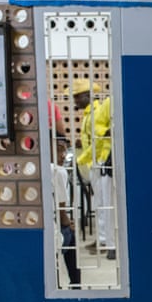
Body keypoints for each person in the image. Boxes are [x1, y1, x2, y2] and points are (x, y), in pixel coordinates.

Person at [70, 78, 116, 260]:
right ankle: (103, 240)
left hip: (102, 161)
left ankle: (110, 243)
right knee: (100, 204)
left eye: (77, 96)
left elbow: (99, 140)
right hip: (95, 162)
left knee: (106, 204)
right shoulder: (89, 114)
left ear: (87, 96)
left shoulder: (98, 111)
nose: (75, 101)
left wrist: (82, 158)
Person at [50, 136, 81, 288]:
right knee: (71, 236)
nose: (63, 155)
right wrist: (69, 223)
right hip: (55, 228)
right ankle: (76, 284)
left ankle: (55, 285)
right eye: (58, 150)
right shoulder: (58, 171)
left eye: (64, 151)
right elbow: (61, 209)